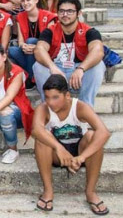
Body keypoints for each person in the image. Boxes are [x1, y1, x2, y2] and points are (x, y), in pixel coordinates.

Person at [32, 74, 111, 215]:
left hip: (80, 151)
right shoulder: (43, 108)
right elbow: (36, 130)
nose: (50, 102)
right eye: (47, 97)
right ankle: (48, 191)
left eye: (55, 97)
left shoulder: (80, 107)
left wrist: (81, 158)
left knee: (93, 135)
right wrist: (59, 148)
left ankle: (91, 192)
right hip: (57, 155)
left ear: (67, 95)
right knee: (42, 139)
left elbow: (104, 132)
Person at [33, 0, 105, 106]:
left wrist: (81, 69)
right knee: (38, 66)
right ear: (57, 13)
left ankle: (84, 108)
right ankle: (50, 106)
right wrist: (52, 67)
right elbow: (39, 50)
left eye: (70, 11)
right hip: (57, 71)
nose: (65, 14)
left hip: (79, 74)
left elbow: (98, 51)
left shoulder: (89, 31)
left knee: (99, 65)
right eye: (62, 11)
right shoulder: (50, 31)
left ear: (79, 13)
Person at [9, 0, 57, 90]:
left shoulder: (48, 16)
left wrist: (36, 48)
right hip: (28, 52)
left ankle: (31, 78)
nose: (25, 3)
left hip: (44, 52)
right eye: (22, 1)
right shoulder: (20, 17)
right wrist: (23, 46)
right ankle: (30, 75)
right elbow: (20, 41)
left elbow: (52, 42)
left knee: (31, 40)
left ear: (36, 0)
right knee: (10, 50)